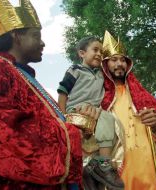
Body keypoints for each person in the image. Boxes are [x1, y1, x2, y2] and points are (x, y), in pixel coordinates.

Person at [0, 0, 98, 189]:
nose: (42, 42)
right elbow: (2, 134)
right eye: (36, 36)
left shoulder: (22, 74)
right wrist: (70, 133)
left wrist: (80, 128)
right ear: (17, 36)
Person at [86, 30, 156, 190]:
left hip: (147, 162)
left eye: (123, 60)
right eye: (114, 60)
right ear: (105, 64)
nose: (119, 64)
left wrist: (155, 124)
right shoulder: (97, 96)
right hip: (116, 163)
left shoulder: (141, 94)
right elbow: (88, 138)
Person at [57, 36, 124, 189]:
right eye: (95, 50)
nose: (99, 54)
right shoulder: (75, 70)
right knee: (75, 147)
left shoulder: (101, 74)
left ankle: (104, 165)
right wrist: (62, 117)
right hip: (76, 110)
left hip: (96, 112)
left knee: (108, 119)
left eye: (101, 51)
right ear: (82, 53)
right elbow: (63, 93)